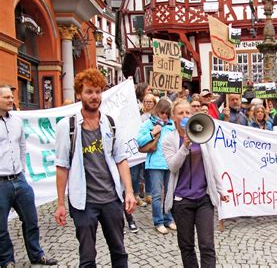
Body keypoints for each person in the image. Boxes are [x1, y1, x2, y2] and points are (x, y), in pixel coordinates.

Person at [54, 69, 136, 267]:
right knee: (87, 256)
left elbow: (121, 159)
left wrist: (129, 192)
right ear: (79, 94)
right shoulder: (68, 126)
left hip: (111, 199)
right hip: (83, 202)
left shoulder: (110, 123)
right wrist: (60, 203)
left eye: (98, 92)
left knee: (119, 251)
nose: (94, 97)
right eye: (89, 92)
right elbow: (62, 166)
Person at [162, 99, 229, 267]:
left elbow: (212, 164)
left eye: (187, 113)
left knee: (207, 245)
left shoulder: (202, 133)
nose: (185, 116)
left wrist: (221, 190)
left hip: (203, 198)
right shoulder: (169, 140)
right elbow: (173, 166)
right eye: (180, 113)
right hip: (182, 201)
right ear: (173, 117)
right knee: (186, 246)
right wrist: (184, 146)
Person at [0, 85, 57, 267]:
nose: (11, 100)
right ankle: (7, 260)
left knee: (31, 220)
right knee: (1, 227)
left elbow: (23, 146)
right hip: (1, 182)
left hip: (19, 178)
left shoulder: (16, 121)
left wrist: (23, 169)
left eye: (11, 96)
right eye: (7, 97)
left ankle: (36, 254)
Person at [136, 99, 177, 234]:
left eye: (166, 113)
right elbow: (139, 140)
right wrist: (152, 133)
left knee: (169, 193)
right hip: (155, 164)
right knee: (157, 195)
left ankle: (168, 218)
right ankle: (158, 221)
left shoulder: (171, 125)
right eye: (161, 113)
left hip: (169, 163)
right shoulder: (149, 124)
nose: (164, 116)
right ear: (157, 111)